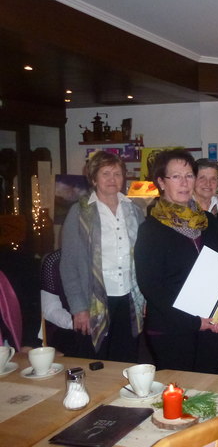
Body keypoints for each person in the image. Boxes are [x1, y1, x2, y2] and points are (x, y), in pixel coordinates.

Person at [135, 148, 218, 372]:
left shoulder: (208, 221)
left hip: (211, 323)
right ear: (161, 182)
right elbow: (152, 287)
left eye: (189, 175)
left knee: (208, 392)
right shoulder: (151, 230)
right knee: (180, 396)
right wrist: (195, 321)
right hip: (172, 328)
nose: (184, 183)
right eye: (176, 176)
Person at [60, 151, 145, 362]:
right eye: (105, 173)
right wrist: (79, 308)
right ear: (93, 178)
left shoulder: (134, 210)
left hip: (129, 298)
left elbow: (144, 259)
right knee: (96, 361)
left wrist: (145, 298)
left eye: (117, 173)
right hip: (94, 300)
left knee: (126, 358)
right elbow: (69, 265)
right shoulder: (79, 213)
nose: (112, 179)